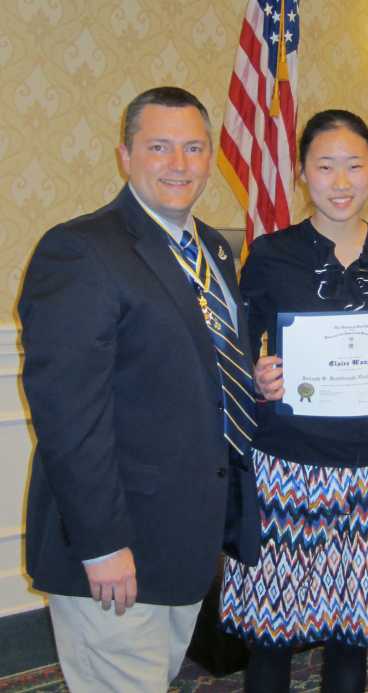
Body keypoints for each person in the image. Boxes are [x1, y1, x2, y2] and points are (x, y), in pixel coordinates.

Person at [18, 86, 256, 692]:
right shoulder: (81, 250)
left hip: (186, 539)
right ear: (125, 155)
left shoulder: (214, 250)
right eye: (158, 147)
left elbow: (196, 369)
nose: (179, 164)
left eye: (193, 148)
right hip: (116, 545)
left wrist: (257, 380)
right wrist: (101, 545)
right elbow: (70, 417)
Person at [219, 109, 368, 693]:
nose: (341, 182)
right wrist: (258, 376)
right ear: (301, 172)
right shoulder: (270, 254)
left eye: (354, 166)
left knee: (351, 638)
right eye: (325, 166)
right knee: (271, 636)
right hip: (286, 467)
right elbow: (238, 352)